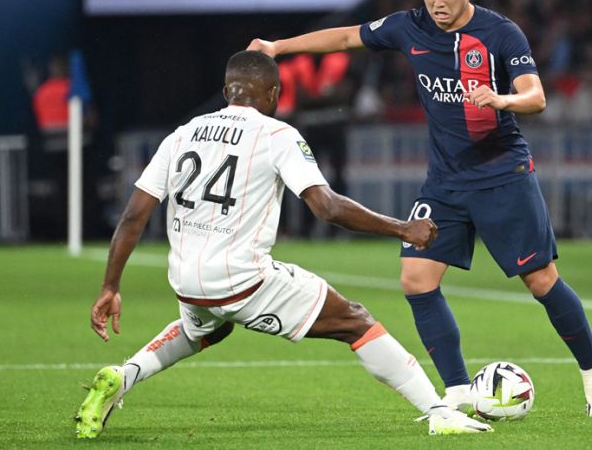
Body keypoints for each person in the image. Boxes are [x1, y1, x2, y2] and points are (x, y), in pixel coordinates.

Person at [247, 0, 592, 418]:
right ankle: (457, 391)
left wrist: (501, 99)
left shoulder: (501, 33)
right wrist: (277, 47)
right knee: (416, 278)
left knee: (541, 280)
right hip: (445, 182)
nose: (437, 1)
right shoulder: (410, 27)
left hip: (502, 175)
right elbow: (346, 37)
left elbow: (536, 96)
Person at [75, 51, 491, 439]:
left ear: (226, 91)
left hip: (185, 281)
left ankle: (123, 376)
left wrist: (110, 286)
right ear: (274, 93)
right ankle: (439, 412)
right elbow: (327, 207)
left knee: (206, 327)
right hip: (242, 279)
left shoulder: (181, 135)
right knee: (355, 320)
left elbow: (133, 217)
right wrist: (402, 228)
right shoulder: (276, 134)